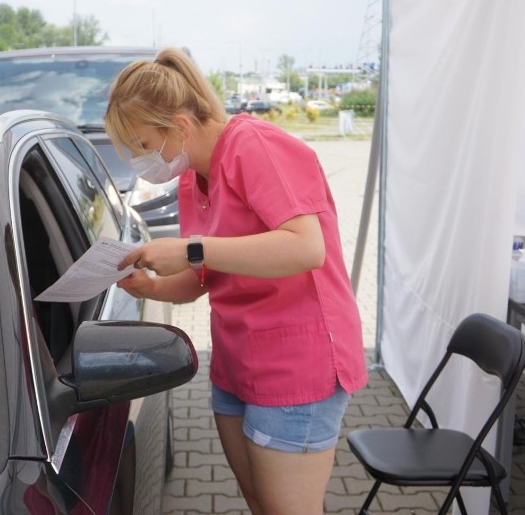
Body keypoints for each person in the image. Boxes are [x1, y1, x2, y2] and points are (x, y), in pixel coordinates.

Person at [104, 47, 368, 515]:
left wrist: (190, 249)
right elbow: (206, 276)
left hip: (296, 364)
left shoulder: (256, 147)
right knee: (262, 504)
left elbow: (306, 247)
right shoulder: (193, 176)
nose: (143, 162)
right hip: (239, 360)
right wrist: (153, 287)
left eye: (145, 146)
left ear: (180, 127)